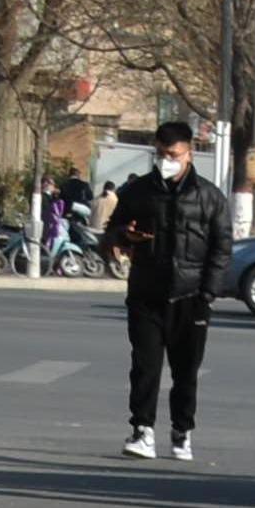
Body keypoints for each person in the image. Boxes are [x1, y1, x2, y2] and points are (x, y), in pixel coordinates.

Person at [100, 121, 236, 462]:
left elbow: (222, 248)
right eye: (160, 153)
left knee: (186, 371)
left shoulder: (210, 197)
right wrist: (124, 236)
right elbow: (112, 231)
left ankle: (182, 431)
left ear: (189, 153)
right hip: (146, 293)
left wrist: (208, 294)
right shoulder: (138, 192)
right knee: (145, 366)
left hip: (191, 297)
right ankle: (142, 430)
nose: (166, 160)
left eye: (173, 154)